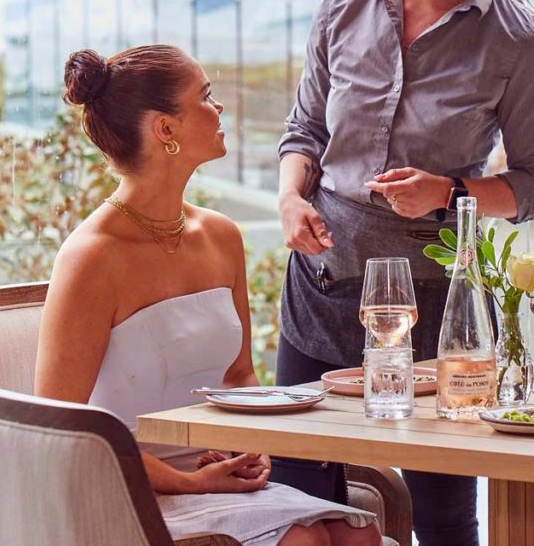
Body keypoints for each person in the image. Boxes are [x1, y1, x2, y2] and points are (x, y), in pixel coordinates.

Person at [276, 0, 534, 545]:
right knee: (295, 498)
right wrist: (290, 197)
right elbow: (304, 132)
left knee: (442, 511)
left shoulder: (513, 38)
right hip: (321, 286)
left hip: (439, 303)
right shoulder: (342, 10)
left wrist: (450, 190)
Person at [35, 45, 386, 546]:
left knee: (358, 536)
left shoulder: (221, 235)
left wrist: (250, 446)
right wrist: (190, 482)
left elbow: (238, 375)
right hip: (128, 486)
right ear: (165, 129)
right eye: (205, 96)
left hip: (211, 476)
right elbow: (61, 426)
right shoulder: (92, 257)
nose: (218, 108)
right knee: (303, 542)